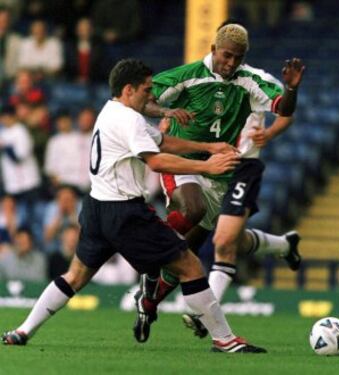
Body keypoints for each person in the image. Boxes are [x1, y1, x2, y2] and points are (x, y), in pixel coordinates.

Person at [1, 58, 267, 354]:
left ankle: (22, 331)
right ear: (129, 90)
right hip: (125, 213)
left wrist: (209, 148)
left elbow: (163, 141)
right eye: (147, 89)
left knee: (74, 276)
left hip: (95, 208)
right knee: (190, 266)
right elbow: (156, 161)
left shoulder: (112, 111)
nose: (152, 96)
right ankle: (224, 339)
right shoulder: (128, 120)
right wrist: (209, 167)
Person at [137, 23, 305, 340]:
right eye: (226, 56)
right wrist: (167, 110)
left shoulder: (251, 80)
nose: (230, 64)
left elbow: (282, 108)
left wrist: (292, 90)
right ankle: (152, 262)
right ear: (214, 49)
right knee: (195, 213)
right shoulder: (185, 76)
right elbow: (143, 100)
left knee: (202, 246)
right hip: (185, 161)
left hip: (226, 170)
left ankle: (149, 300)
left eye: (237, 59)